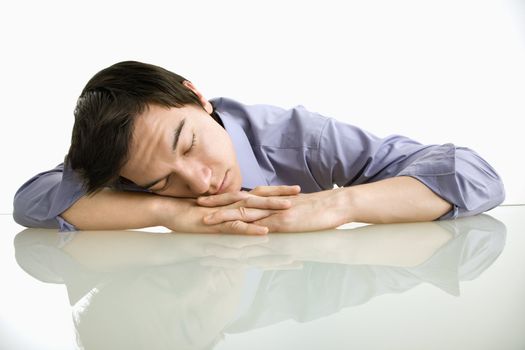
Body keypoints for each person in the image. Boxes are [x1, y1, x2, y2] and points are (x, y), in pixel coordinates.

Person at [13, 61, 505, 234]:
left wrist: (336, 204)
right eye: (163, 180)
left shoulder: (297, 137)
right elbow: (32, 201)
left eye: (188, 145)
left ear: (195, 96)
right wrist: (170, 213)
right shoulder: (126, 164)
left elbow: (471, 173)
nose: (201, 183)